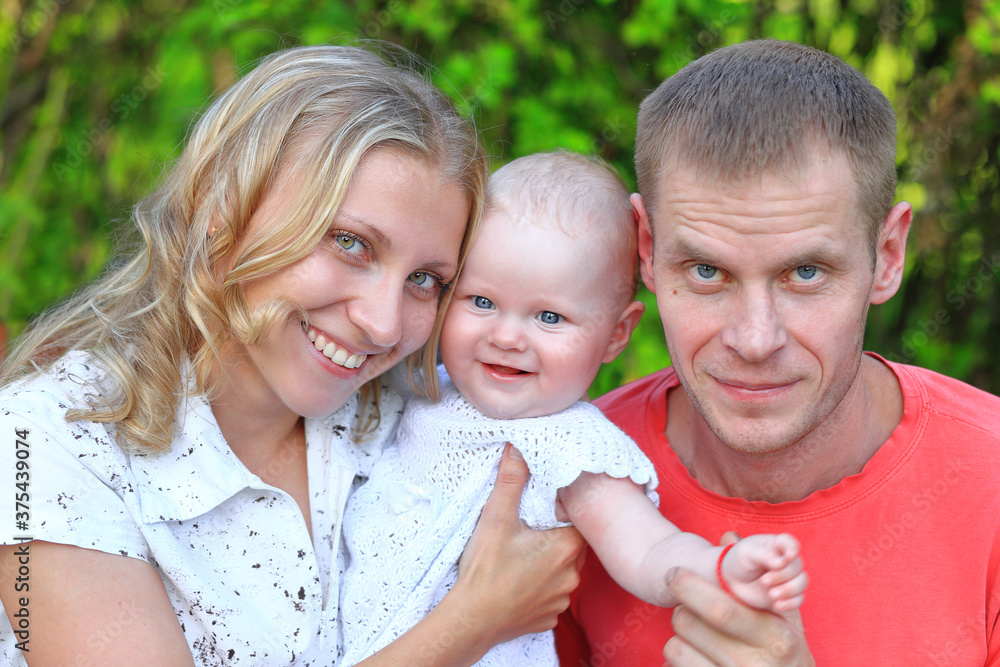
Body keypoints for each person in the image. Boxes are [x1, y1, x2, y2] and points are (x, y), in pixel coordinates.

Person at [0, 44, 585, 666]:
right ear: (222, 206)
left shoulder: (422, 425)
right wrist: (471, 624)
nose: (383, 323)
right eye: (350, 243)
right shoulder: (48, 441)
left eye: (425, 280)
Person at [555, 39, 1000, 666]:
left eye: (806, 273)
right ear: (648, 250)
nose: (755, 340)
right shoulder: (564, 478)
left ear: (888, 256)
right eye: (707, 271)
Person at [340, 152, 808, 666]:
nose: (506, 337)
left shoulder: (571, 443)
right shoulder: (425, 386)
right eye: (481, 302)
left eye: (549, 317)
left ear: (616, 335)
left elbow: (649, 549)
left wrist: (722, 567)